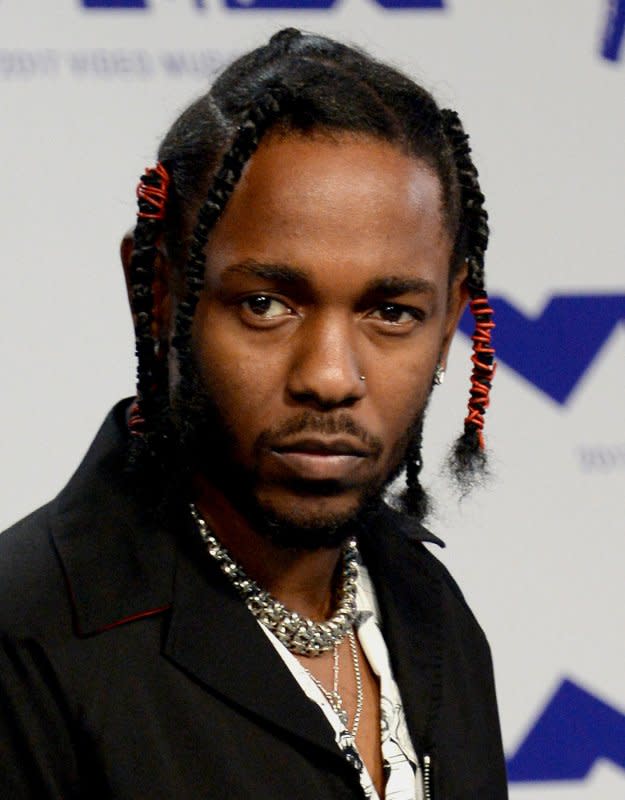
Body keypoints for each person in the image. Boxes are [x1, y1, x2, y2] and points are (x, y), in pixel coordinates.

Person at [0, 28, 506, 799]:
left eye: (392, 312)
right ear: (159, 291)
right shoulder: (24, 641)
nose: (330, 378)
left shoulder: (429, 610)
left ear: (446, 327)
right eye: (266, 304)